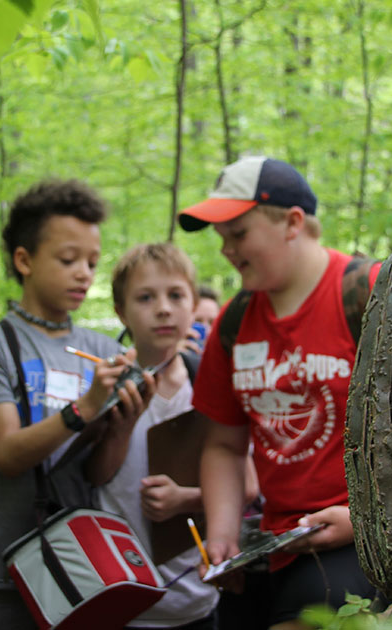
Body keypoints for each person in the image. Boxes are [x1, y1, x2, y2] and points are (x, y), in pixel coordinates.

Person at [178, 156, 381, 629]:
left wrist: (367, 521)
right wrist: (225, 535)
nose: (226, 250)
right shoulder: (233, 322)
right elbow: (225, 444)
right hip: (274, 546)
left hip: (360, 543)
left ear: (292, 222)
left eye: (239, 233)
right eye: (221, 238)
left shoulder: (369, 294)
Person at [0, 179, 154, 630]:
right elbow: (7, 456)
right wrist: (86, 405)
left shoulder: (103, 349)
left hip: (82, 565)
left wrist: (123, 420)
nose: (83, 273)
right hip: (1, 564)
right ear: (24, 260)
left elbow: (95, 473)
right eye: (68, 260)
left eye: (91, 262)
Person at [88, 243, 224, 629]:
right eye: (145, 297)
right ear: (121, 312)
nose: (163, 308)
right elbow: (93, 477)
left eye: (176, 295)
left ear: (194, 303)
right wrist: (122, 427)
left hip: (195, 601)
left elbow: (244, 484)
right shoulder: (104, 384)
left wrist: (186, 499)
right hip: (118, 596)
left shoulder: (210, 384)